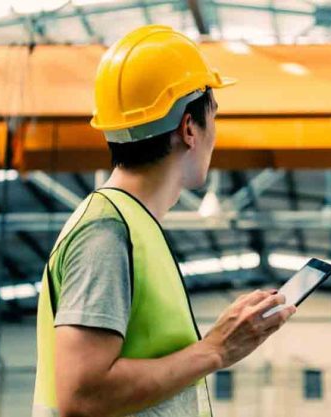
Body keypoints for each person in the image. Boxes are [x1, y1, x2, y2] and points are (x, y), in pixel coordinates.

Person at [32, 25, 296, 417]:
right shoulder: (106, 232)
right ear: (189, 128)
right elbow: (83, 394)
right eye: (214, 118)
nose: (215, 135)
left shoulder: (130, 226)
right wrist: (215, 350)